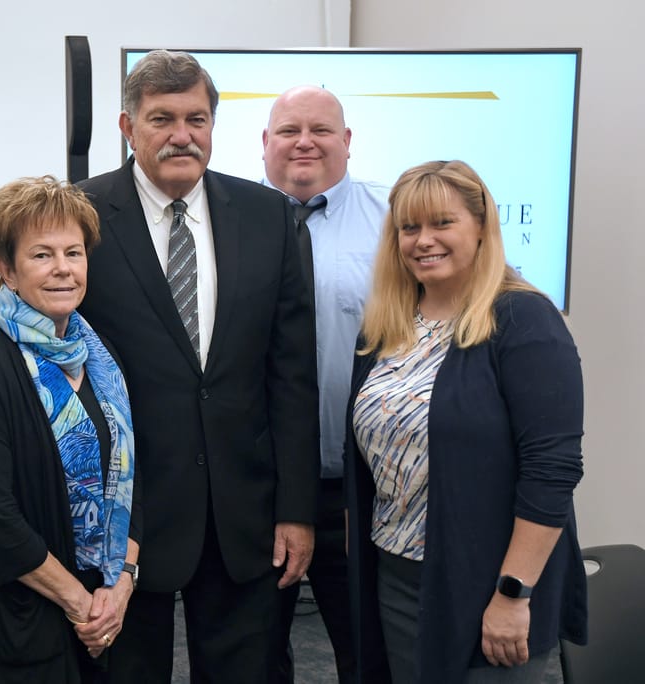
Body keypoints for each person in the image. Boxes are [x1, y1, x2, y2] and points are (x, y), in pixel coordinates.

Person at [78, 50, 319, 683]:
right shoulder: (81, 215)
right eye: (162, 119)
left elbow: (291, 374)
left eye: (196, 118)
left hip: (244, 513)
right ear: (128, 128)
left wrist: (296, 508)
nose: (182, 135)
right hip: (123, 513)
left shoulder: (269, 216)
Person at [344, 160, 588, 683]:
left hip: (489, 583)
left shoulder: (523, 320)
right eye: (409, 228)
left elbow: (552, 470)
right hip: (398, 574)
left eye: (441, 223)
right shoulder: (389, 325)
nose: (423, 240)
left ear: (481, 227)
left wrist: (513, 594)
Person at [0, 176, 140, 683]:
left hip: (96, 611)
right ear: (7, 270)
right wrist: (81, 603)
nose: (63, 268)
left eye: (74, 252)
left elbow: (130, 472)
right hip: (8, 622)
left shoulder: (99, 354)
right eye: (42, 255)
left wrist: (121, 583)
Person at [262, 85, 388, 683]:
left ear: (347, 141)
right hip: (255, 489)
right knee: (251, 654)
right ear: (265, 143)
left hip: (360, 490)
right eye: (289, 130)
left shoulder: (396, 223)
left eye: (321, 129)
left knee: (365, 653)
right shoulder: (230, 225)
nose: (304, 142)